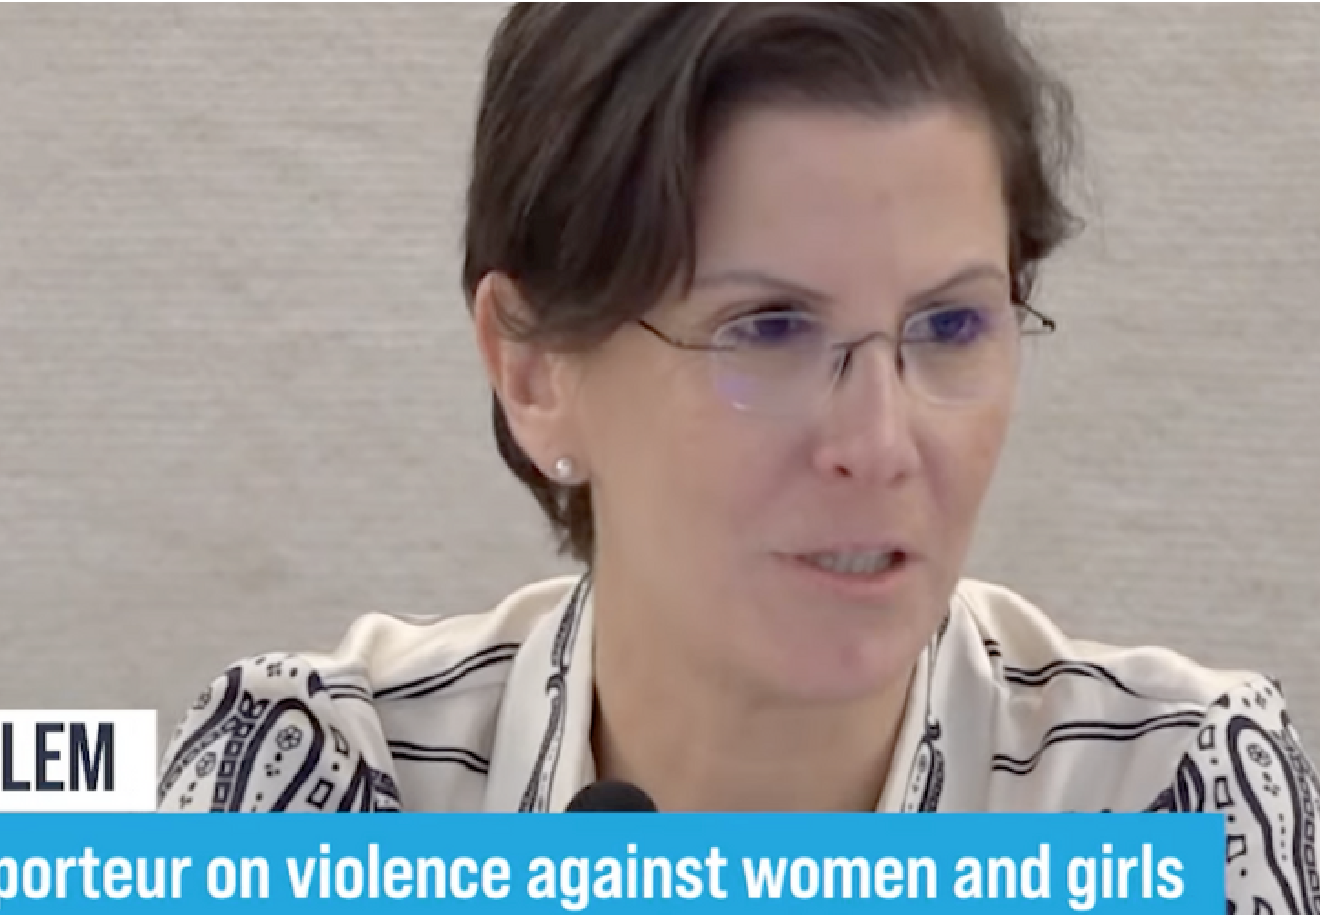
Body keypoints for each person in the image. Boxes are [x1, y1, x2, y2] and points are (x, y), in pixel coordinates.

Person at [158, 4, 1318, 911]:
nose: (878, 443)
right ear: (534, 370)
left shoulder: (1172, 799)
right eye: (767, 330)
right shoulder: (323, 787)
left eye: (950, 323)